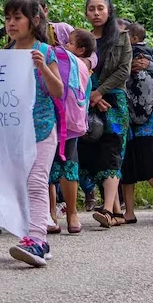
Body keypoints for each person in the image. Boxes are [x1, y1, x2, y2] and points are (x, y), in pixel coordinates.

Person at [3, 0, 63, 267]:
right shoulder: (4, 55)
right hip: (14, 132)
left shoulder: (46, 52)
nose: (12, 23)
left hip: (41, 129)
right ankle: (33, 236)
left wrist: (42, 68)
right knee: (19, 185)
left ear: (34, 20)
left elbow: (58, 91)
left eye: (18, 18)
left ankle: (37, 238)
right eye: (8, 18)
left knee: (36, 182)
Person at [78, 0, 132, 228]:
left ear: (109, 11)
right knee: (92, 150)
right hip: (88, 99)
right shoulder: (83, 39)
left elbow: (123, 70)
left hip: (114, 100)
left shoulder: (121, 37)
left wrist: (99, 93)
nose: (96, 13)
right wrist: (92, 95)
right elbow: (77, 68)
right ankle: (118, 212)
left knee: (112, 148)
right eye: (92, 9)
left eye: (101, 8)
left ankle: (108, 209)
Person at [120, 45, 153, 222]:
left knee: (150, 160)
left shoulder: (150, 59)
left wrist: (148, 65)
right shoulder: (119, 55)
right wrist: (128, 67)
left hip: (146, 117)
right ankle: (129, 210)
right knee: (127, 163)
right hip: (125, 116)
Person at [49, 28, 95, 235]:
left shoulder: (76, 64)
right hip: (52, 119)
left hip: (67, 121)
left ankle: (69, 213)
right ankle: (53, 214)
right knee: (47, 168)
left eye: (70, 42)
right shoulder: (47, 55)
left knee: (67, 166)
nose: (65, 45)